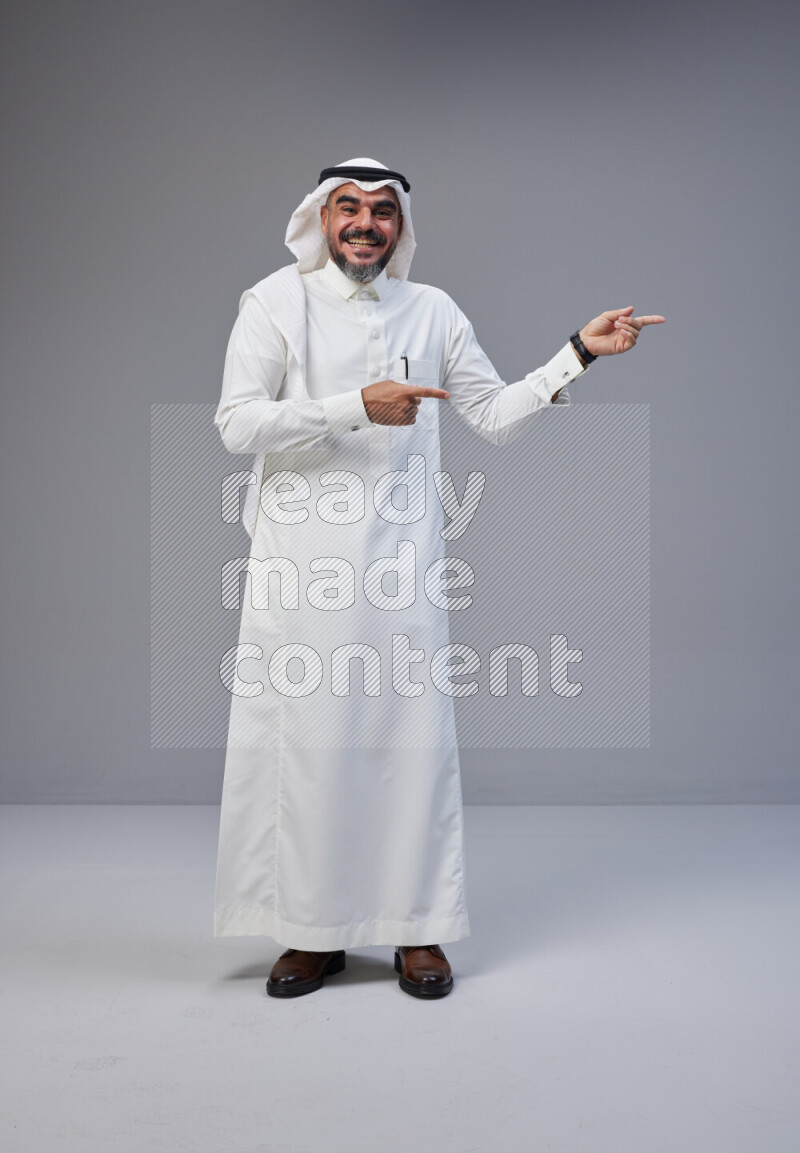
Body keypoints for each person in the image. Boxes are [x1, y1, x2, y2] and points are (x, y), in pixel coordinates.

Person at [213, 157, 664, 999]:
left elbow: (491, 416)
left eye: (383, 211)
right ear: (320, 217)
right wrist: (357, 405)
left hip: (403, 570)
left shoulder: (435, 310)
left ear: (401, 226)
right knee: (312, 753)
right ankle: (312, 935)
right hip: (300, 575)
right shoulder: (274, 303)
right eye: (348, 207)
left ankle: (417, 929)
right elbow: (236, 422)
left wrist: (577, 355)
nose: (364, 224)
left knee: (408, 750)